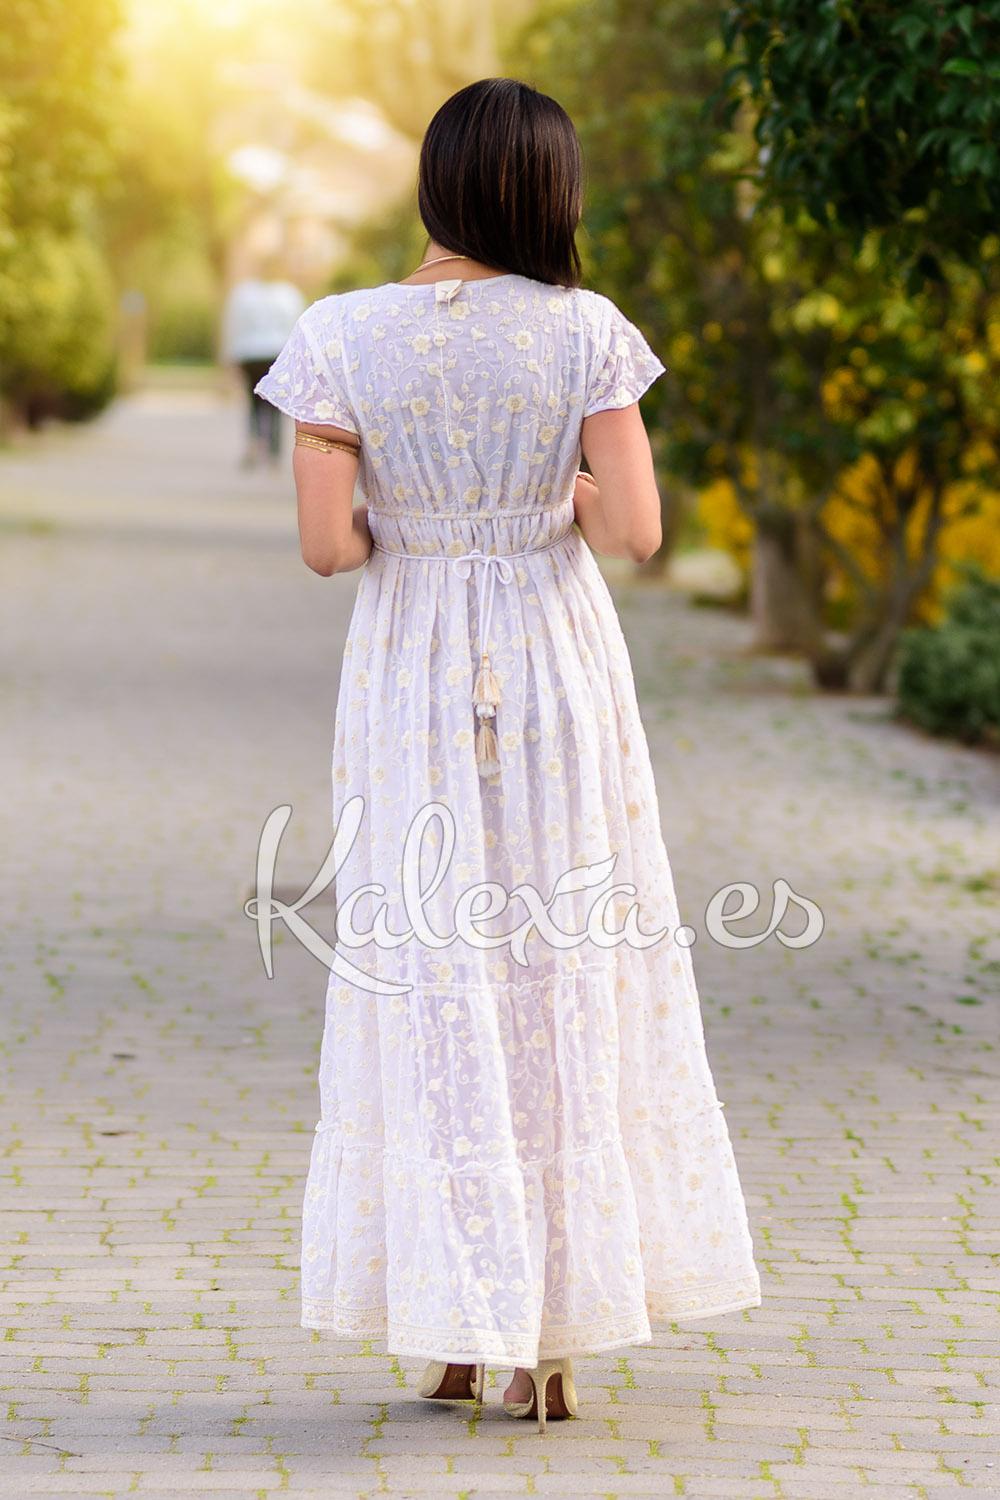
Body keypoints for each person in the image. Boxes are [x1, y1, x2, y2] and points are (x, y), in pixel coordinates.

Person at [253, 77, 762, 1434]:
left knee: (430, 974)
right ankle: (553, 1337)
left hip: (411, 677)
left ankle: (453, 1327)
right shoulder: (584, 332)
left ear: (436, 183)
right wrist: (555, 493)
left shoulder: (337, 336)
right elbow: (636, 532)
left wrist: (412, 518)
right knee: (560, 966)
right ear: (549, 192)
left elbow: (326, 546)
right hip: (551, 665)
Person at [221, 265, 305, 468]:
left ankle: (254, 444)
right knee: (276, 404)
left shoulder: (243, 295)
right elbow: (297, 326)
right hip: (276, 352)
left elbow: (234, 325)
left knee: (253, 403)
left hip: (249, 353)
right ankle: (274, 451)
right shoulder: (289, 294)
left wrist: (230, 355)